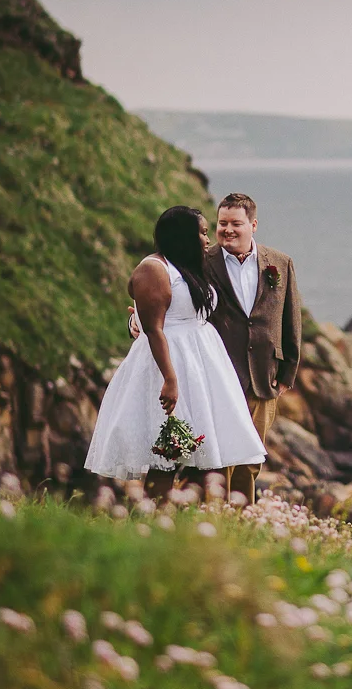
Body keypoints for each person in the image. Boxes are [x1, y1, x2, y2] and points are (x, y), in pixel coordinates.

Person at [129, 193, 303, 502]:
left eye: (236, 223)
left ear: (253, 225)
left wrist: (287, 373)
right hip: (213, 375)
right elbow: (164, 304)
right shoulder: (197, 259)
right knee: (211, 460)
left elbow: (291, 318)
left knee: (249, 457)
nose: (227, 230)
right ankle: (208, 516)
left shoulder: (279, 262)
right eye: (222, 223)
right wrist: (135, 323)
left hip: (262, 377)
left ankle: (240, 517)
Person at [86, 206, 265, 488]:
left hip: (202, 365)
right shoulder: (153, 269)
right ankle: (156, 509)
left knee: (205, 455)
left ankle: (192, 511)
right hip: (170, 364)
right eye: (202, 232)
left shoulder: (188, 266)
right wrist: (170, 379)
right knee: (168, 452)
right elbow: (155, 329)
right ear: (183, 235)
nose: (208, 239)